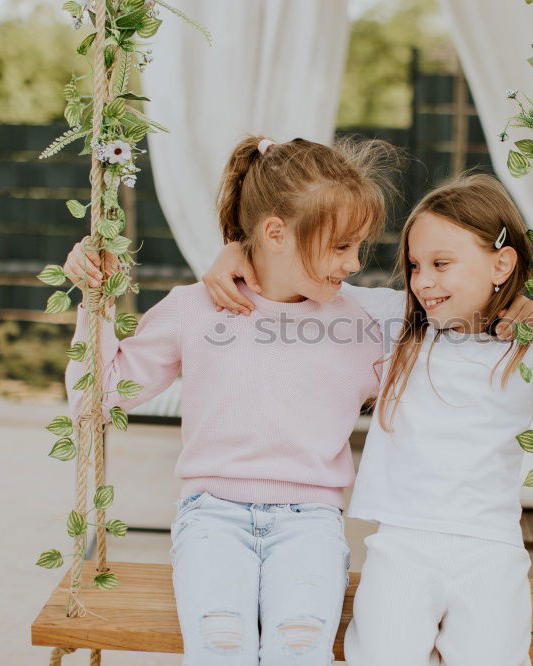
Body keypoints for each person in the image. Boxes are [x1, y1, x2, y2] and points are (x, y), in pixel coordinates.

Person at [63, 135, 392, 665]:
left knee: (299, 650)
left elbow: (450, 335)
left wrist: (513, 306)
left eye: (359, 247)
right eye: (340, 246)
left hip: (311, 521)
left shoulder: (363, 325)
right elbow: (95, 399)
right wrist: (95, 298)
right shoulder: (194, 309)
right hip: (212, 517)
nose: (354, 263)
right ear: (276, 233)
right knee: (220, 648)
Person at [344, 174, 533, 666]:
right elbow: (308, 284)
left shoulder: (530, 346)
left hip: (489, 549)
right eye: (416, 265)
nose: (422, 281)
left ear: (501, 263)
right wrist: (235, 255)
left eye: (441, 264)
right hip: (401, 541)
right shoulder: (399, 327)